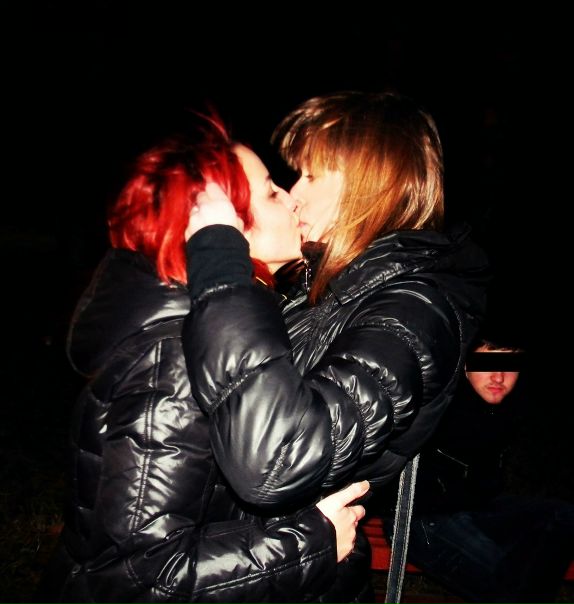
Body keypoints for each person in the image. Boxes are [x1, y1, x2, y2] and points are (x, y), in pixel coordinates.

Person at [37, 112, 370, 604]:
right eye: (271, 192)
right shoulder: (174, 359)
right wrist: (310, 544)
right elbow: (136, 575)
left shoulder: (219, 325)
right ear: (222, 225)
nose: (292, 199)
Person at [182, 91, 490, 603]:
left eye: (311, 175)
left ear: (370, 180)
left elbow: (274, 461)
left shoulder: (412, 309)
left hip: (300, 582)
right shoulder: (330, 287)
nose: (294, 193)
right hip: (257, 567)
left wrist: (225, 276)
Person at [383, 336, 574, 604]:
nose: (499, 377)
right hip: (422, 520)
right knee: (509, 577)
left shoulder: (507, 408)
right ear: (465, 365)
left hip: (477, 509)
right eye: (487, 362)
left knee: (561, 517)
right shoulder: (438, 400)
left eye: (510, 365)